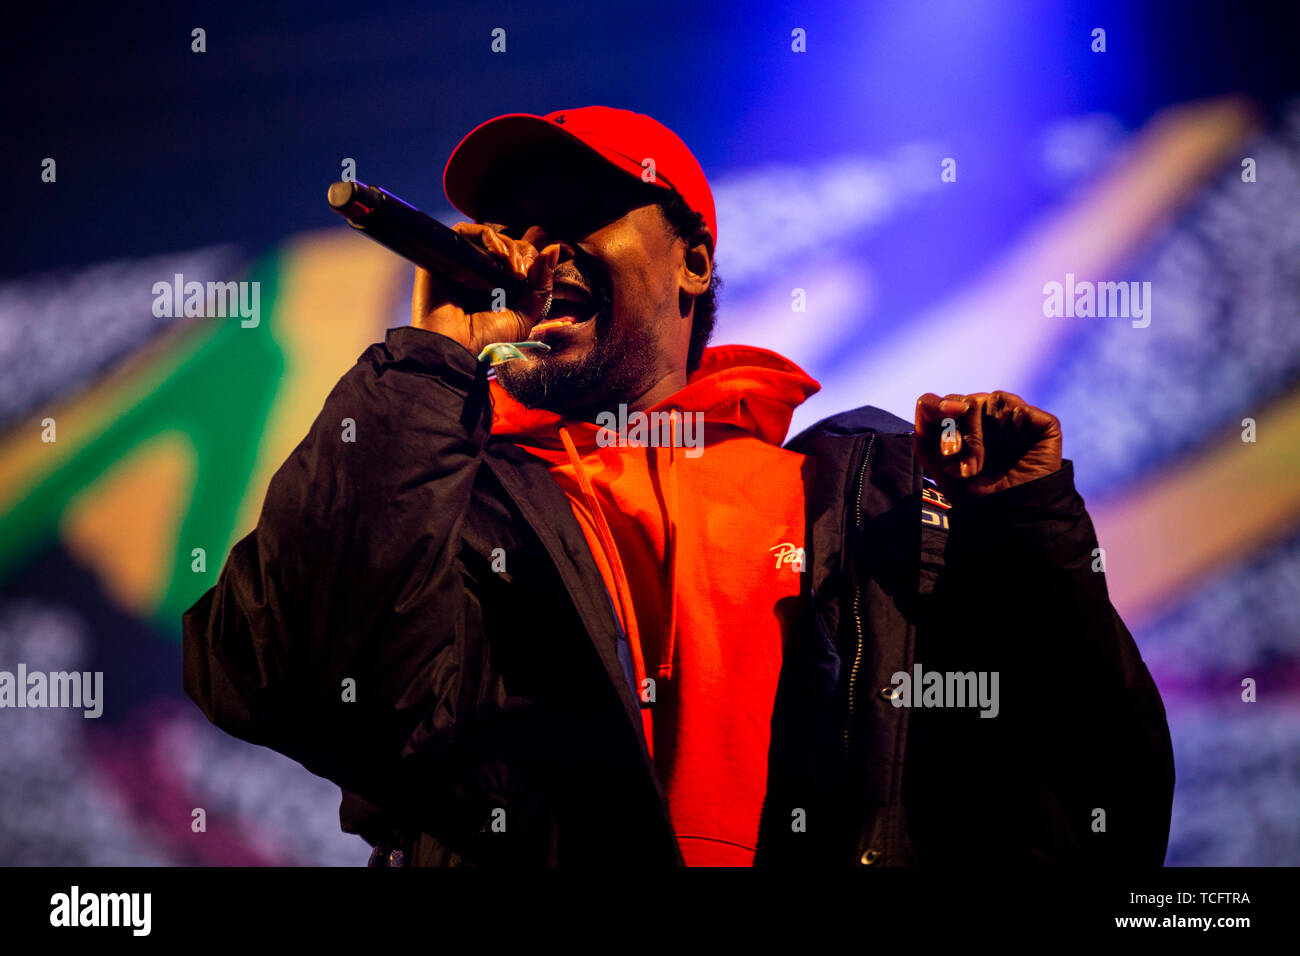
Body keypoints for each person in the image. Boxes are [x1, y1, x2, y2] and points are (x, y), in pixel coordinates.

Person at [182, 106, 1174, 866]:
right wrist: (428, 363)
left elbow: (1097, 800)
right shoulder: (449, 499)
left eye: (577, 217)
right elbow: (277, 676)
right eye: (509, 224)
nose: (534, 249)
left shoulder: (870, 493)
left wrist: (1030, 530)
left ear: (693, 260)